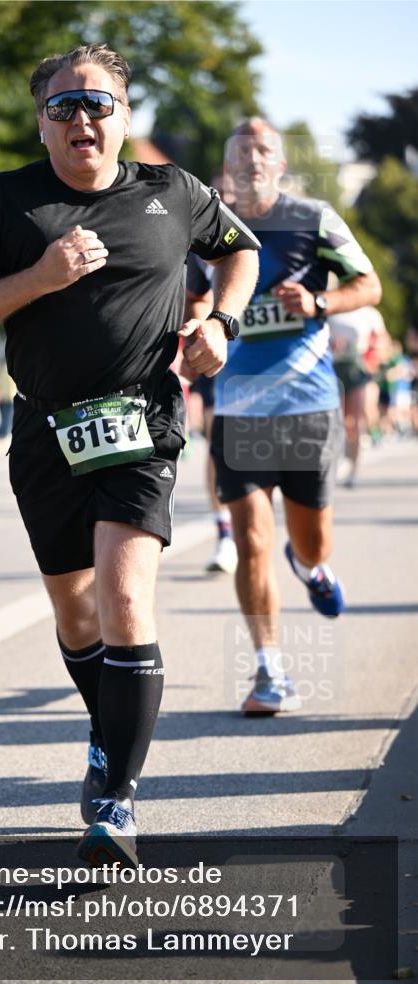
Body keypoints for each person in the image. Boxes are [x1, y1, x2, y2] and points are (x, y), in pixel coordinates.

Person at [0, 43, 259, 867]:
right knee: (77, 617)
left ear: (123, 116)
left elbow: (240, 251)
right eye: (63, 106)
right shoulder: (3, 201)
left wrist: (220, 321)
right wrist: (39, 277)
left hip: (141, 426)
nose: (82, 118)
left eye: (98, 104)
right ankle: (105, 727)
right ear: (40, 122)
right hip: (44, 428)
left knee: (123, 600)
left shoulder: (174, 192)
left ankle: (114, 798)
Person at [183, 118, 381, 716]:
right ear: (228, 166)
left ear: (280, 164)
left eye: (262, 149)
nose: (250, 158)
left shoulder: (313, 218)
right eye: (238, 150)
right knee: (249, 540)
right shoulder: (208, 228)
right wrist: (201, 320)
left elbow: (368, 284)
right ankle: (270, 671)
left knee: (309, 540)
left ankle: (311, 566)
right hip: (239, 408)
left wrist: (320, 301)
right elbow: (193, 294)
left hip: (307, 409)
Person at [184, 254, 238, 573]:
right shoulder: (203, 229)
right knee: (218, 443)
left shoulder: (282, 225)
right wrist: (207, 332)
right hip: (224, 360)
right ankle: (225, 535)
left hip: (271, 365)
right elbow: (194, 298)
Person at [328, 306, 387, 486]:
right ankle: (336, 461)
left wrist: (373, 360)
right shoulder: (331, 306)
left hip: (358, 370)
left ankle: (353, 469)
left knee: (355, 420)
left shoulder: (368, 313)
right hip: (333, 368)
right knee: (338, 421)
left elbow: (382, 340)